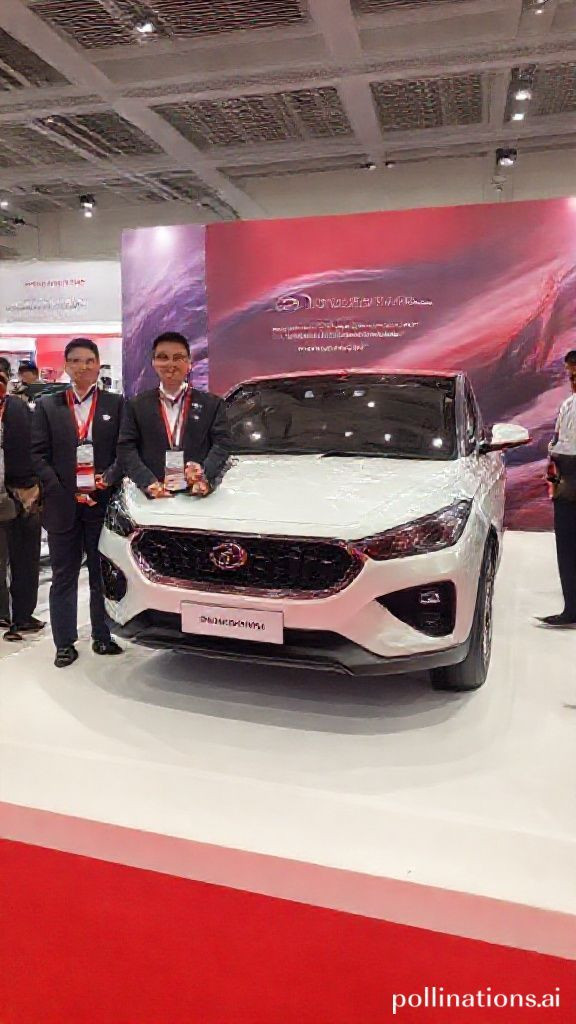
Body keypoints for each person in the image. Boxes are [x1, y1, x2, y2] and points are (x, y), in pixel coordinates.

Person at [31, 338, 124, 667]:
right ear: (66, 366)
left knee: (101, 574)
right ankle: (64, 643)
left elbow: (124, 451)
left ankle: (102, 634)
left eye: (89, 361)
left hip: (101, 503)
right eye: (75, 361)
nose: (83, 367)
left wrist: (108, 478)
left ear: (98, 365)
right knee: (64, 575)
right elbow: (37, 454)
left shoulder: (116, 404)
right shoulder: (48, 406)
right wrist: (61, 489)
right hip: (62, 504)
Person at [118, 331, 230, 499]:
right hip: (153, 496)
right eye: (163, 357)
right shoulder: (136, 406)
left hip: (198, 497)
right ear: (153, 362)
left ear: (189, 363)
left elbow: (222, 444)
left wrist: (204, 475)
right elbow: (126, 448)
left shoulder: (212, 404)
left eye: (178, 358)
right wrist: (147, 482)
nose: (170, 364)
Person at [0, 366, 44, 639]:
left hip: (24, 494)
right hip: (16, 494)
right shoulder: (20, 408)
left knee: (26, 558)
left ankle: (22, 615)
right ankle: (11, 616)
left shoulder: (19, 409)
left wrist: (34, 488)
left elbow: (34, 450)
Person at [538, 350, 576, 628]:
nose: (572, 380)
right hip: (566, 478)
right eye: (570, 375)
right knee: (566, 545)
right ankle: (571, 608)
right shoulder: (568, 404)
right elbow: (558, 441)